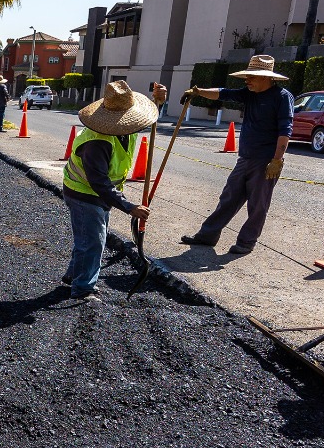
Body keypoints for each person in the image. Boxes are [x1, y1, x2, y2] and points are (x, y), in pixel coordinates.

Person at [61, 80, 168, 301]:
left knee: (88, 237)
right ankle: (82, 288)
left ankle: (74, 275)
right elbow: (99, 183)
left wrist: (159, 103)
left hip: (100, 193)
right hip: (84, 193)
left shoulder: (126, 127)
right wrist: (129, 207)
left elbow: (150, 120)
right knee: (93, 241)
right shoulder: (97, 142)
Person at [179, 54, 294, 255]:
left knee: (258, 204)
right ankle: (208, 236)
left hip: (265, 160)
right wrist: (198, 92)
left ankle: (246, 242)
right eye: (247, 76)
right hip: (246, 158)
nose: (247, 80)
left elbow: (285, 131)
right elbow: (223, 93)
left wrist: (277, 160)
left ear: (266, 77)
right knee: (229, 197)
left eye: (252, 77)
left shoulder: (282, 97)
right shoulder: (249, 93)